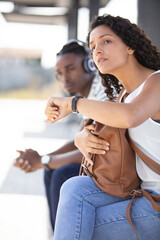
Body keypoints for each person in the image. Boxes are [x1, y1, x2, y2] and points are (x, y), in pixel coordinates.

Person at [44, 14, 160, 240]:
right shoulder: (123, 97)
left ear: (130, 46)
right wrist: (81, 138)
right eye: (93, 46)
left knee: (77, 223)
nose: (97, 50)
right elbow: (107, 125)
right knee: (73, 187)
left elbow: (131, 116)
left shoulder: (156, 82)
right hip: (140, 192)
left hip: (154, 202)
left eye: (106, 41)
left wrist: (73, 103)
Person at [14, 39, 106, 232]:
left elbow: (94, 150)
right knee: (52, 170)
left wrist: (45, 160)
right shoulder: (88, 95)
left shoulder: (102, 92)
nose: (64, 78)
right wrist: (41, 158)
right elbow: (77, 141)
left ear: (89, 65)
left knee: (61, 173)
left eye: (70, 68)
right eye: (59, 73)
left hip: (118, 172)